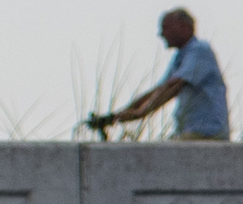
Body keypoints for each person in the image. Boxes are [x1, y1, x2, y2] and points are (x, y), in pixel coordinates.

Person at [92, 9, 230, 139]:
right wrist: (116, 116)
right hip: (191, 131)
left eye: (166, 27)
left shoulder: (200, 50)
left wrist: (141, 112)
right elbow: (159, 90)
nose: (161, 33)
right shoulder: (181, 56)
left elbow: (173, 87)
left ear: (183, 27)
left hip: (207, 133)